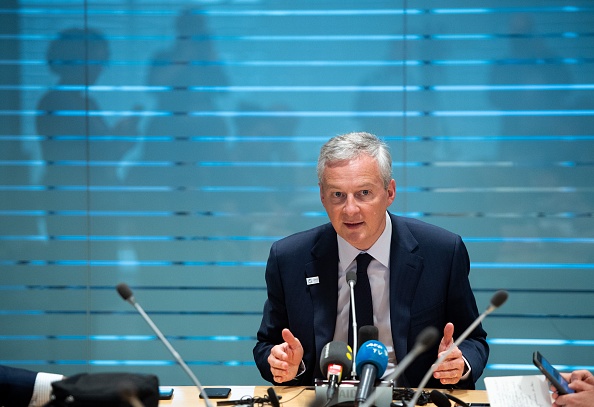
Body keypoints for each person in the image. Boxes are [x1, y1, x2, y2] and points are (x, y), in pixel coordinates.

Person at [253, 132, 488, 389]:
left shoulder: (441, 252)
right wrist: (285, 364)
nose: (350, 209)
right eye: (338, 195)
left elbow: (473, 339)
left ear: (389, 192)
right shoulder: (289, 258)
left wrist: (459, 362)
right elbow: (267, 345)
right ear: (322, 196)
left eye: (364, 193)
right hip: (323, 398)